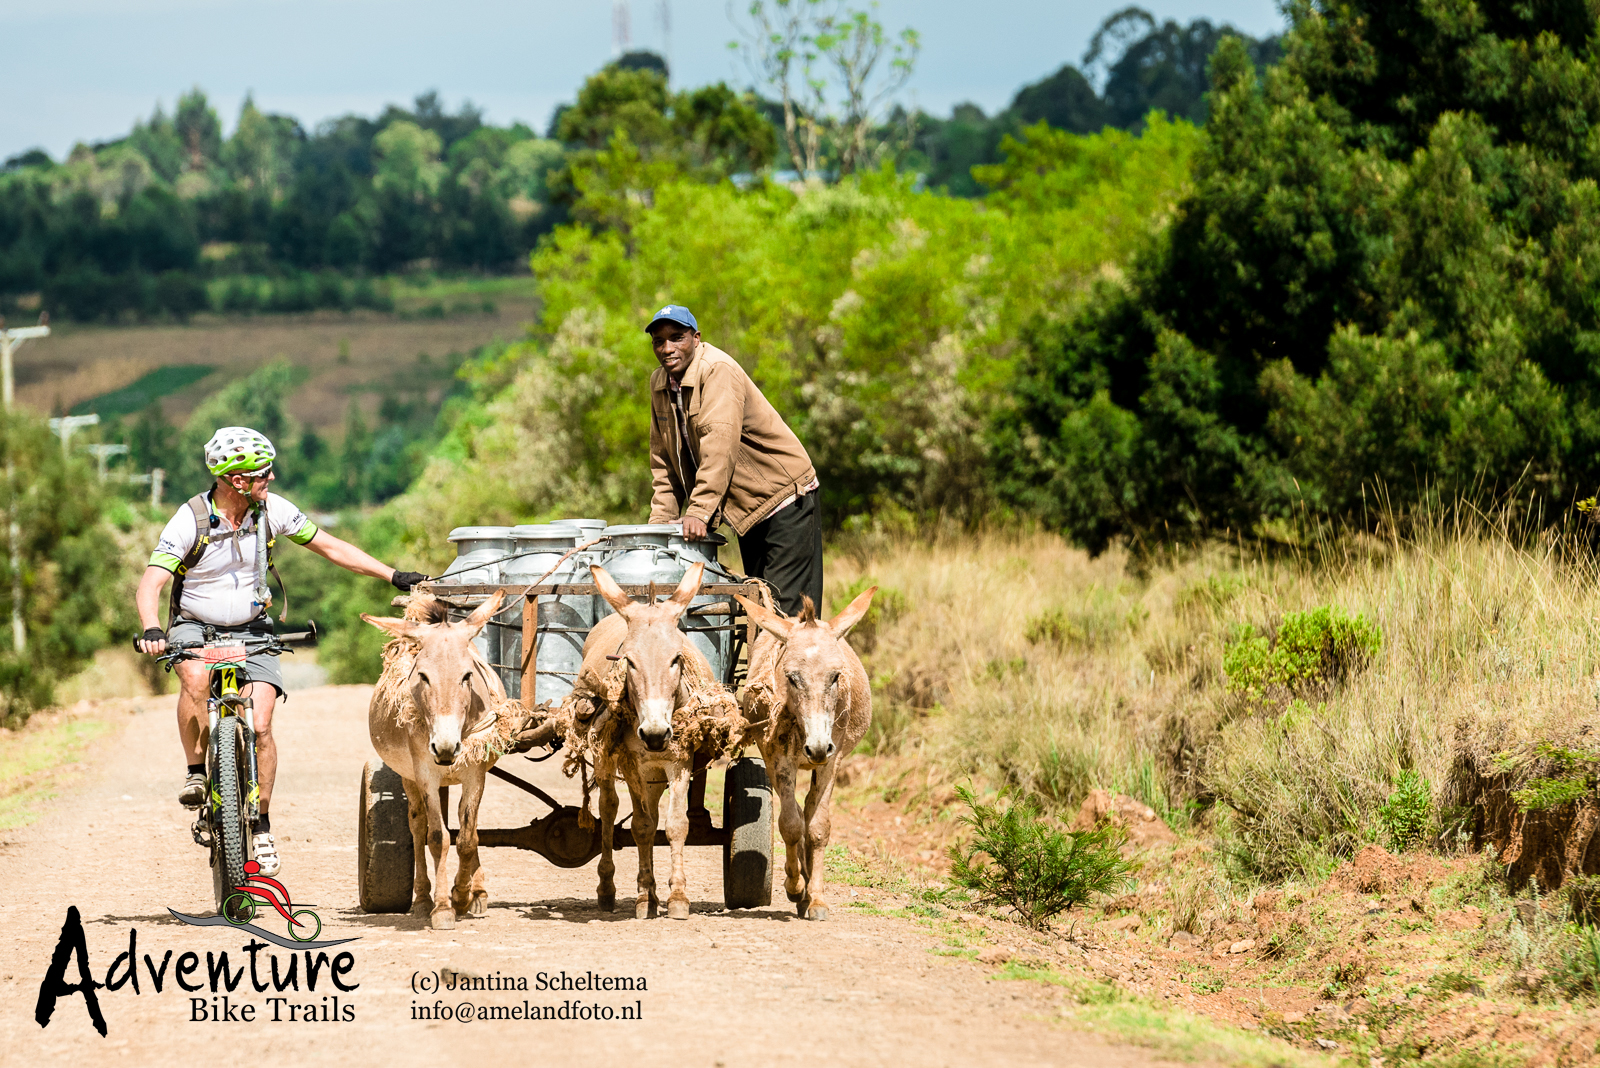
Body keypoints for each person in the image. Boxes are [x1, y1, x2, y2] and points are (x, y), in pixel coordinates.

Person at [134, 427, 426, 876]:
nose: (271, 477)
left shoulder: (272, 510)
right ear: (236, 480)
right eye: (262, 472)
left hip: (254, 629)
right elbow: (152, 581)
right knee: (193, 679)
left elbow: (330, 546)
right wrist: (153, 627)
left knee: (262, 723)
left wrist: (392, 575)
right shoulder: (190, 519)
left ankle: (262, 825)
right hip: (196, 628)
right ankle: (197, 771)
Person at [645, 304, 822, 615]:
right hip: (750, 509)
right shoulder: (660, 384)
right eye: (659, 341)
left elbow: (720, 445)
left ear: (696, 339)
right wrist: (657, 531)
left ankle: (797, 665)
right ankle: (764, 664)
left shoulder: (716, 370)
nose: (667, 348)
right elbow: (663, 463)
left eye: (677, 338)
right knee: (761, 606)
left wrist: (698, 513)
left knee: (788, 613)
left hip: (784, 498)